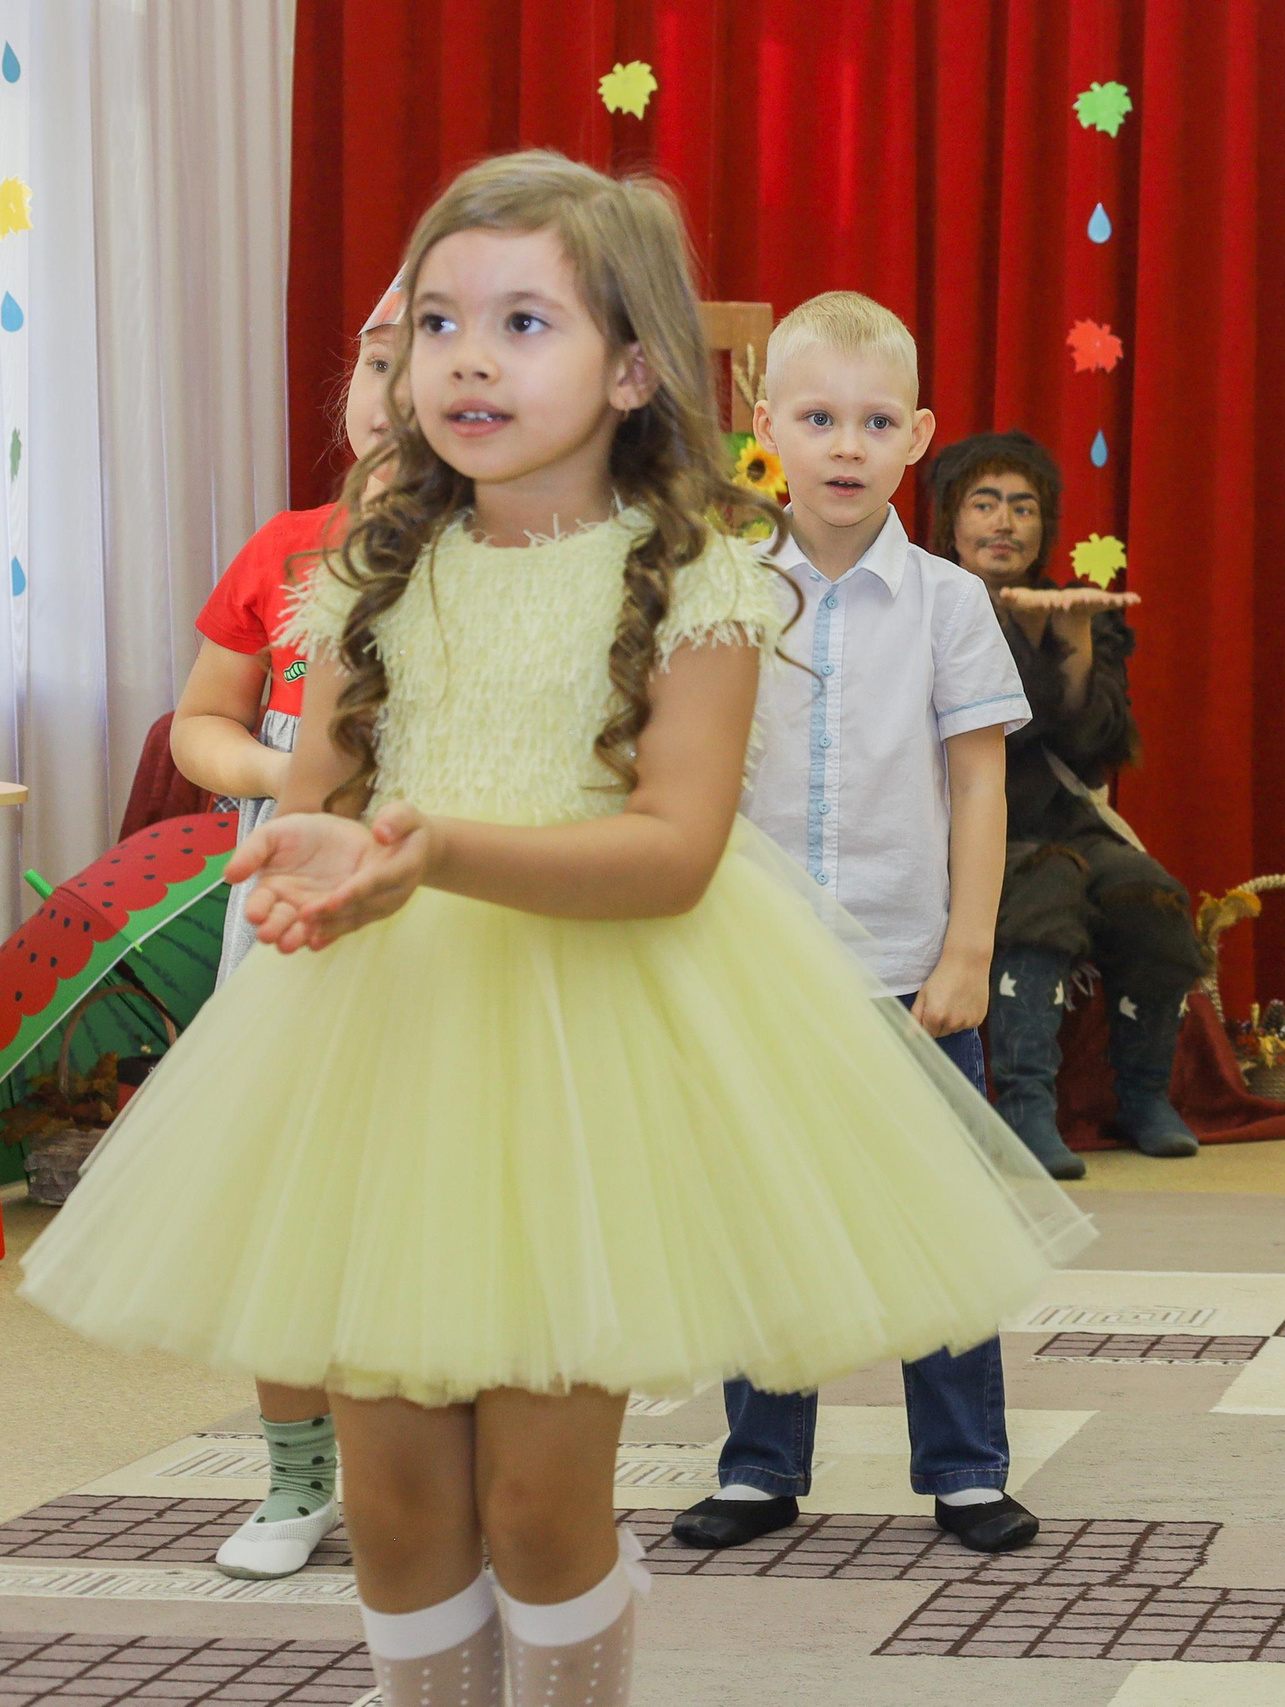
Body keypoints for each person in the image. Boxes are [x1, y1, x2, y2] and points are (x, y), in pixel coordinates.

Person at [19, 151, 1087, 1707]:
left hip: (581, 1054)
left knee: (534, 1497)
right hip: (377, 1051)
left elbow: (669, 853)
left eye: (524, 321)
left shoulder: (708, 581)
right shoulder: (368, 579)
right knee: (394, 1502)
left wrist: (433, 849)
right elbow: (319, 794)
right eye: (437, 319)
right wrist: (310, 851)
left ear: (634, 366)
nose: (465, 354)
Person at [672, 291, 1042, 1558]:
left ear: (917, 435)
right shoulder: (724, 594)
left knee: (939, 1218)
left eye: (874, 420)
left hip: (906, 965)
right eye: (818, 417)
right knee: (768, 1212)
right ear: (763, 424)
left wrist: (969, 951)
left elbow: (979, 782)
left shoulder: (948, 603)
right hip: (763, 970)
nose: (844, 445)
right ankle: (761, 1464)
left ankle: (964, 1466)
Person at [163, 282, 400, 1581]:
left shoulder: (518, 551)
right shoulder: (286, 546)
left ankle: (445, 1469)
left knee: (425, 1192)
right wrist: (281, 777)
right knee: (289, 1202)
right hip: (293, 904)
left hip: (444, 908)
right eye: (371, 358)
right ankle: (298, 1474)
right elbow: (199, 719)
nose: (393, 385)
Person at [924, 431, 1211, 1181]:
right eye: (984, 503)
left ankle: (1145, 1097)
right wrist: (1022, 634)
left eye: (1023, 507)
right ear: (950, 519)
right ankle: (1024, 1106)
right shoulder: (926, 604)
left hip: (1061, 814)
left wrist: (1075, 636)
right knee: (1046, 880)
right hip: (958, 822)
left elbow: (1091, 746)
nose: (1005, 522)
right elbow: (1003, 734)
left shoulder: (1072, 605)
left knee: (1151, 893)